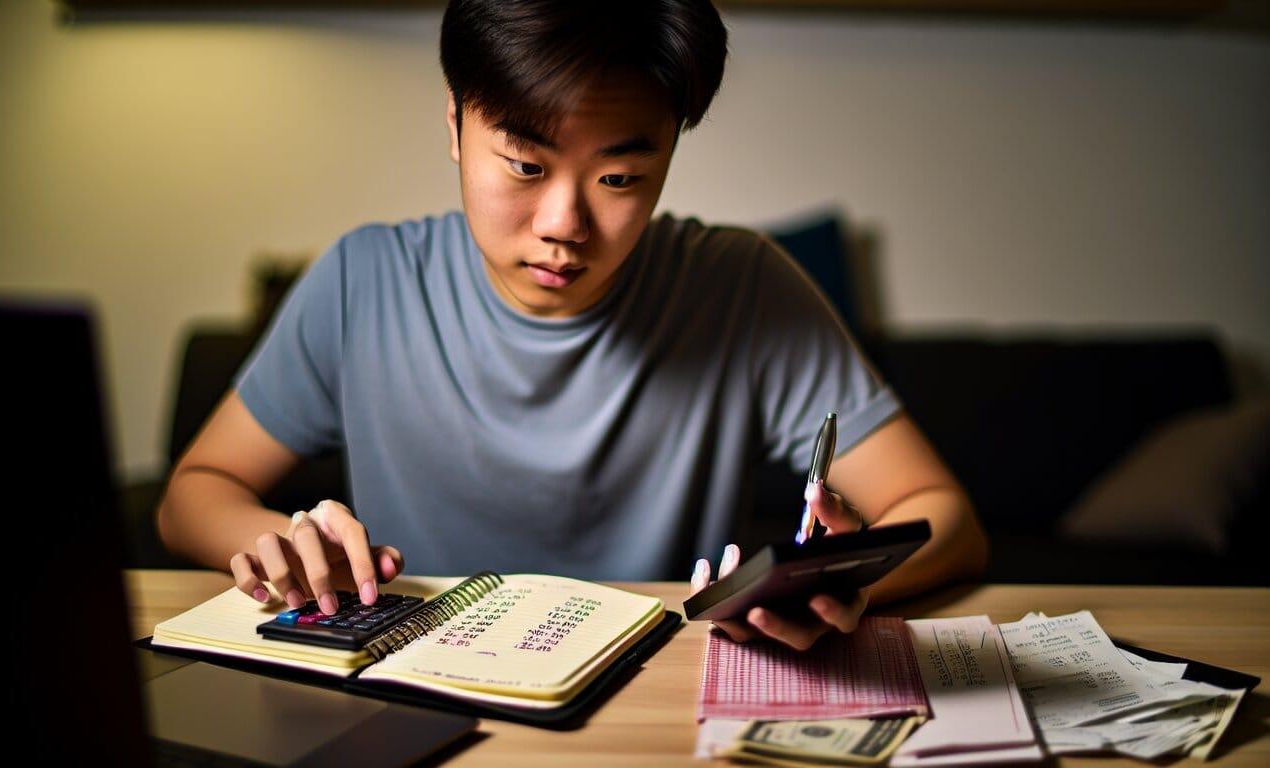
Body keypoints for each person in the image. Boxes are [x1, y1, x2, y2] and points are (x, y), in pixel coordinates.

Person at [156, 0, 988, 652]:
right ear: (453, 126)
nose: (565, 223)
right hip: (412, 684)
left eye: (621, 176)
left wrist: (846, 583)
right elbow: (194, 495)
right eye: (525, 165)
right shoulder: (363, 281)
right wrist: (286, 544)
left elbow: (941, 512)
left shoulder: (741, 287)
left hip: (659, 694)